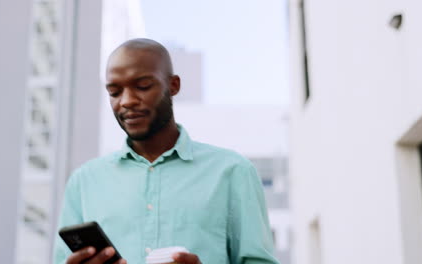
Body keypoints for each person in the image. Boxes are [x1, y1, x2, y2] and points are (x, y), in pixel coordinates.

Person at [53, 38, 279, 264]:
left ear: (173, 85)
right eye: (114, 92)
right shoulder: (84, 182)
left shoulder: (233, 172)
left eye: (142, 87)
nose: (127, 101)